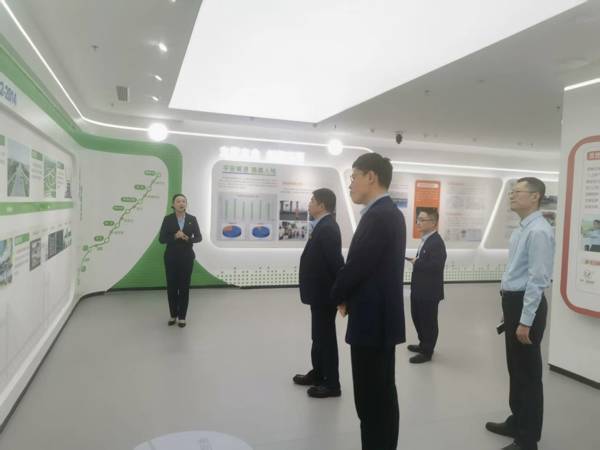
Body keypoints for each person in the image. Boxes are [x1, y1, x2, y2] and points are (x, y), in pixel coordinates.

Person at [331, 153, 406, 450]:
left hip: (373, 323)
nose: (350, 184)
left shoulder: (379, 215)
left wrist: (337, 295)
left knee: (372, 400)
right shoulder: (386, 213)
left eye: (353, 177)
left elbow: (357, 266)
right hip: (377, 319)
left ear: (371, 177)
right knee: (380, 395)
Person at [485, 177, 555, 450]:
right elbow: (517, 272)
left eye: (517, 192)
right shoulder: (523, 228)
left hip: (527, 306)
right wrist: (509, 311)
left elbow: (538, 280)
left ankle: (527, 439)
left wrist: (525, 321)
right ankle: (517, 421)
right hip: (514, 303)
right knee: (516, 369)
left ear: (535, 196)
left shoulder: (539, 231)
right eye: (511, 192)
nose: (511, 196)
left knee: (528, 374)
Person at [293, 188, 344, 398]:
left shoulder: (328, 228)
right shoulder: (322, 225)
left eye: (312, 200)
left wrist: (341, 294)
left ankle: (332, 384)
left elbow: (336, 264)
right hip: (319, 293)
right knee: (319, 337)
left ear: (322, 205)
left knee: (326, 338)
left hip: (325, 295)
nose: (309, 204)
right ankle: (318, 373)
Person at [406, 208, 447, 364]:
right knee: (418, 318)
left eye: (422, 220)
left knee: (428, 321)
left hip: (429, 292)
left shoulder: (437, 243)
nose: (418, 222)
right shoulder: (426, 239)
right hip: (419, 289)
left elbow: (436, 266)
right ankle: (423, 344)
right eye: (418, 219)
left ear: (433, 223)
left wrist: (417, 262)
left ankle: (427, 351)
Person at [158, 194, 202, 328]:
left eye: (183, 201)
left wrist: (188, 239)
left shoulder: (192, 219)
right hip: (171, 258)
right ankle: (173, 315)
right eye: (178, 201)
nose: (181, 203)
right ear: (173, 205)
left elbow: (199, 237)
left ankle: (182, 317)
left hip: (187, 258)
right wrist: (174, 236)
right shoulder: (168, 219)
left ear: (186, 204)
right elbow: (161, 239)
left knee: (184, 287)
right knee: (172, 287)